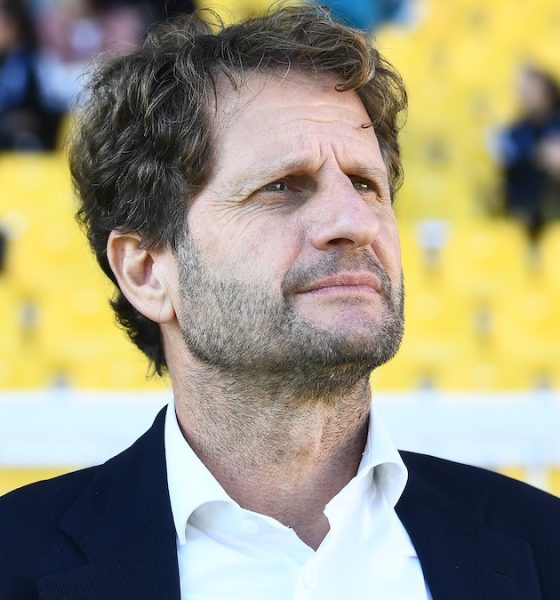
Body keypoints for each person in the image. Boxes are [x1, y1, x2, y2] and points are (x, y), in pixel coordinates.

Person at [1, 6, 559, 599]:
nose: (354, 222)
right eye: (282, 186)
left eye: (366, 184)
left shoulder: (545, 546)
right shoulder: (14, 561)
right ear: (146, 272)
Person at [496, 66, 560, 239]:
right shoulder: (516, 129)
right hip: (524, 210)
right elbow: (507, 155)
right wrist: (540, 153)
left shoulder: (556, 121)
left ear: (546, 89)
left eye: (531, 88)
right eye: (522, 89)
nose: (524, 94)